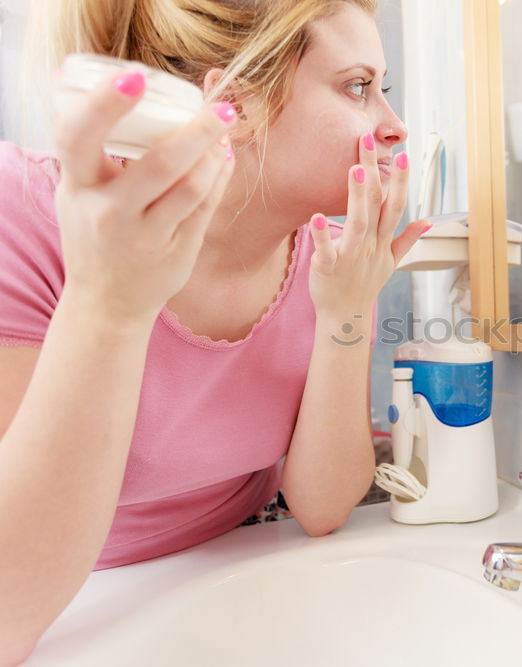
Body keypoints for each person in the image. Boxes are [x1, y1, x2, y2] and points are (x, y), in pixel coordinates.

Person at [0, 1, 429, 661]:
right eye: (358, 87)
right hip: (81, 608)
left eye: (384, 90)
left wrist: (347, 309)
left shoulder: (333, 256)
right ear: (237, 101)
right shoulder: (26, 217)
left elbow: (322, 505)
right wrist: (109, 300)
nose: (395, 127)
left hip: (247, 569)